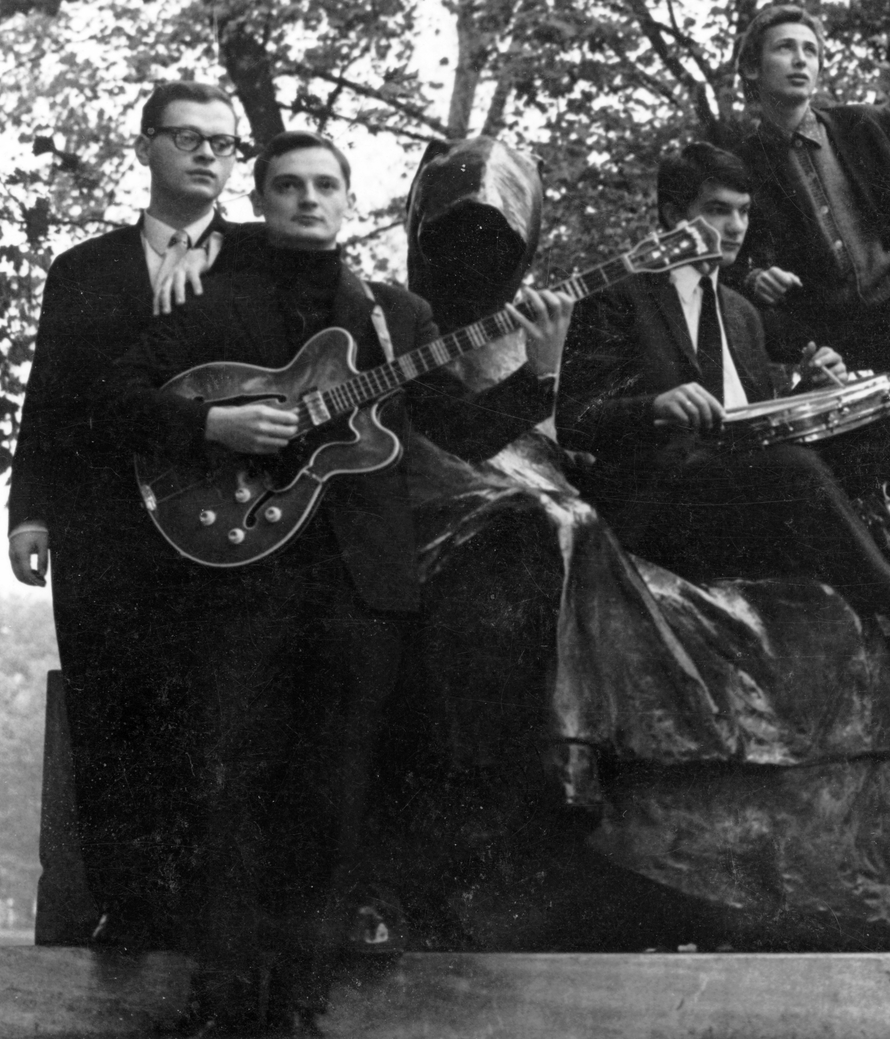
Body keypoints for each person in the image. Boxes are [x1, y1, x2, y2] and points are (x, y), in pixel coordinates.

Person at [105, 129, 574, 1033]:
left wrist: (542, 371)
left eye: (325, 186)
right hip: (247, 578)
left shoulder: (394, 312)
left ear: (349, 201)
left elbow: (461, 436)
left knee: (336, 795)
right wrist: (213, 426)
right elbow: (113, 398)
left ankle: (300, 1004)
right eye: (288, 186)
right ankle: (223, 1000)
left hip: (363, 586)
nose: (308, 200)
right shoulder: (212, 296)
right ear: (264, 198)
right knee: (236, 787)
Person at [559, 143, 890, 706]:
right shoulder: (615, 299)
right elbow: (575, 420)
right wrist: (654, 405)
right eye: (716, 210)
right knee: (792, 467)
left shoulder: (740, 312)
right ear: (670, 214)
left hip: (760, 487)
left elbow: (755, 411)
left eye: (743, 211)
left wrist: (807, 383)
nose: (735, 227)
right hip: (674, 507)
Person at [7, 80, 240, 946]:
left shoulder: (254, 260)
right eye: (188, 137)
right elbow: (51, 400)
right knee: (108, 708)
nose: (208, 154)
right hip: (101, 521)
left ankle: (208, 904)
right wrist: (29, 512)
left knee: (211, 704)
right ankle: (126, 905)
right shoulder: (83, 269)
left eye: (225, 142)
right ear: (145, 148)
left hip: (222, 524)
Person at [729, 4, 890, 423]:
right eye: (785, 48)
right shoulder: (741, 166)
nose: (801, 60)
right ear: (751, 69)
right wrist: (754, 277)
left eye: (810, 51)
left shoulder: (871, 127)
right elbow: (720, 262)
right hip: (827, 345)